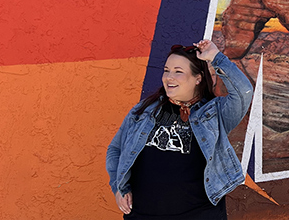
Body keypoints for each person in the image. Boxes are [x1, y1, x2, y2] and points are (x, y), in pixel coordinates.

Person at [106, 39, 253, 219]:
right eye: (167, 71)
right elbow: (115, 149)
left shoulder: (215, 114)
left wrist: (215, 57)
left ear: (197, 78)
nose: (169, 77)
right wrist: (118, 188)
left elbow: (243, 92)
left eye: (178, 72)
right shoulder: (144, 111)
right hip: (142, 215)